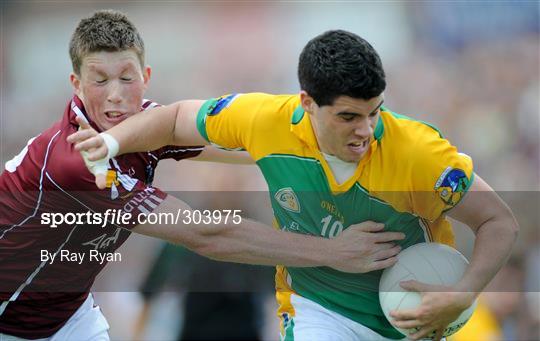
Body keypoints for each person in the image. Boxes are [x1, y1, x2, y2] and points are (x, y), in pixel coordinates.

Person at [70, 29, 519, 341]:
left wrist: (462, 294)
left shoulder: (419, 153)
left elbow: (498, 221)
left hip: (412, 321)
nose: (365, 129)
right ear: (307, 103)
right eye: (348, 116)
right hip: (317, 311)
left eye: (374, 111)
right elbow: (172, 119)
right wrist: (109, 141)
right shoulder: (265, 120)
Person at [0, 12, 404, 340]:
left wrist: (332, 147)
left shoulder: (145, 124)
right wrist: (334, 252)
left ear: (146, 77)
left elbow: (249, 147)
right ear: (76, 84)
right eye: (99, 80)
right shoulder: (74, 164)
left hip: (66, 315)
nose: (116, 95)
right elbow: (204, 232)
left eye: (126, 77)